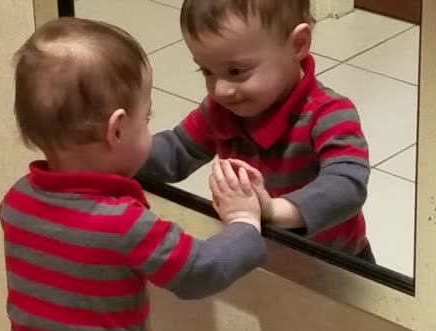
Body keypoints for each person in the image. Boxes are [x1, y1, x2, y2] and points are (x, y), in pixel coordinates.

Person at [0, 17, 266, 331]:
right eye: (147, 117)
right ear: (118, 130)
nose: (150, 127)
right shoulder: (124, 223)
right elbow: (199, 271)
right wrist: (244, 223)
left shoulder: (16, 201)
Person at [139, 0, 374, 262]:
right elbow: (177, 151)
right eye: (207, 71)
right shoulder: (220, 110)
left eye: (236, 71)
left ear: (297, 45)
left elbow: (347, 185)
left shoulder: (328, 114)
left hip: (335, 265)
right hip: (260, 257)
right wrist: (126, 152)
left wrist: (272, 211)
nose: (220, 90)